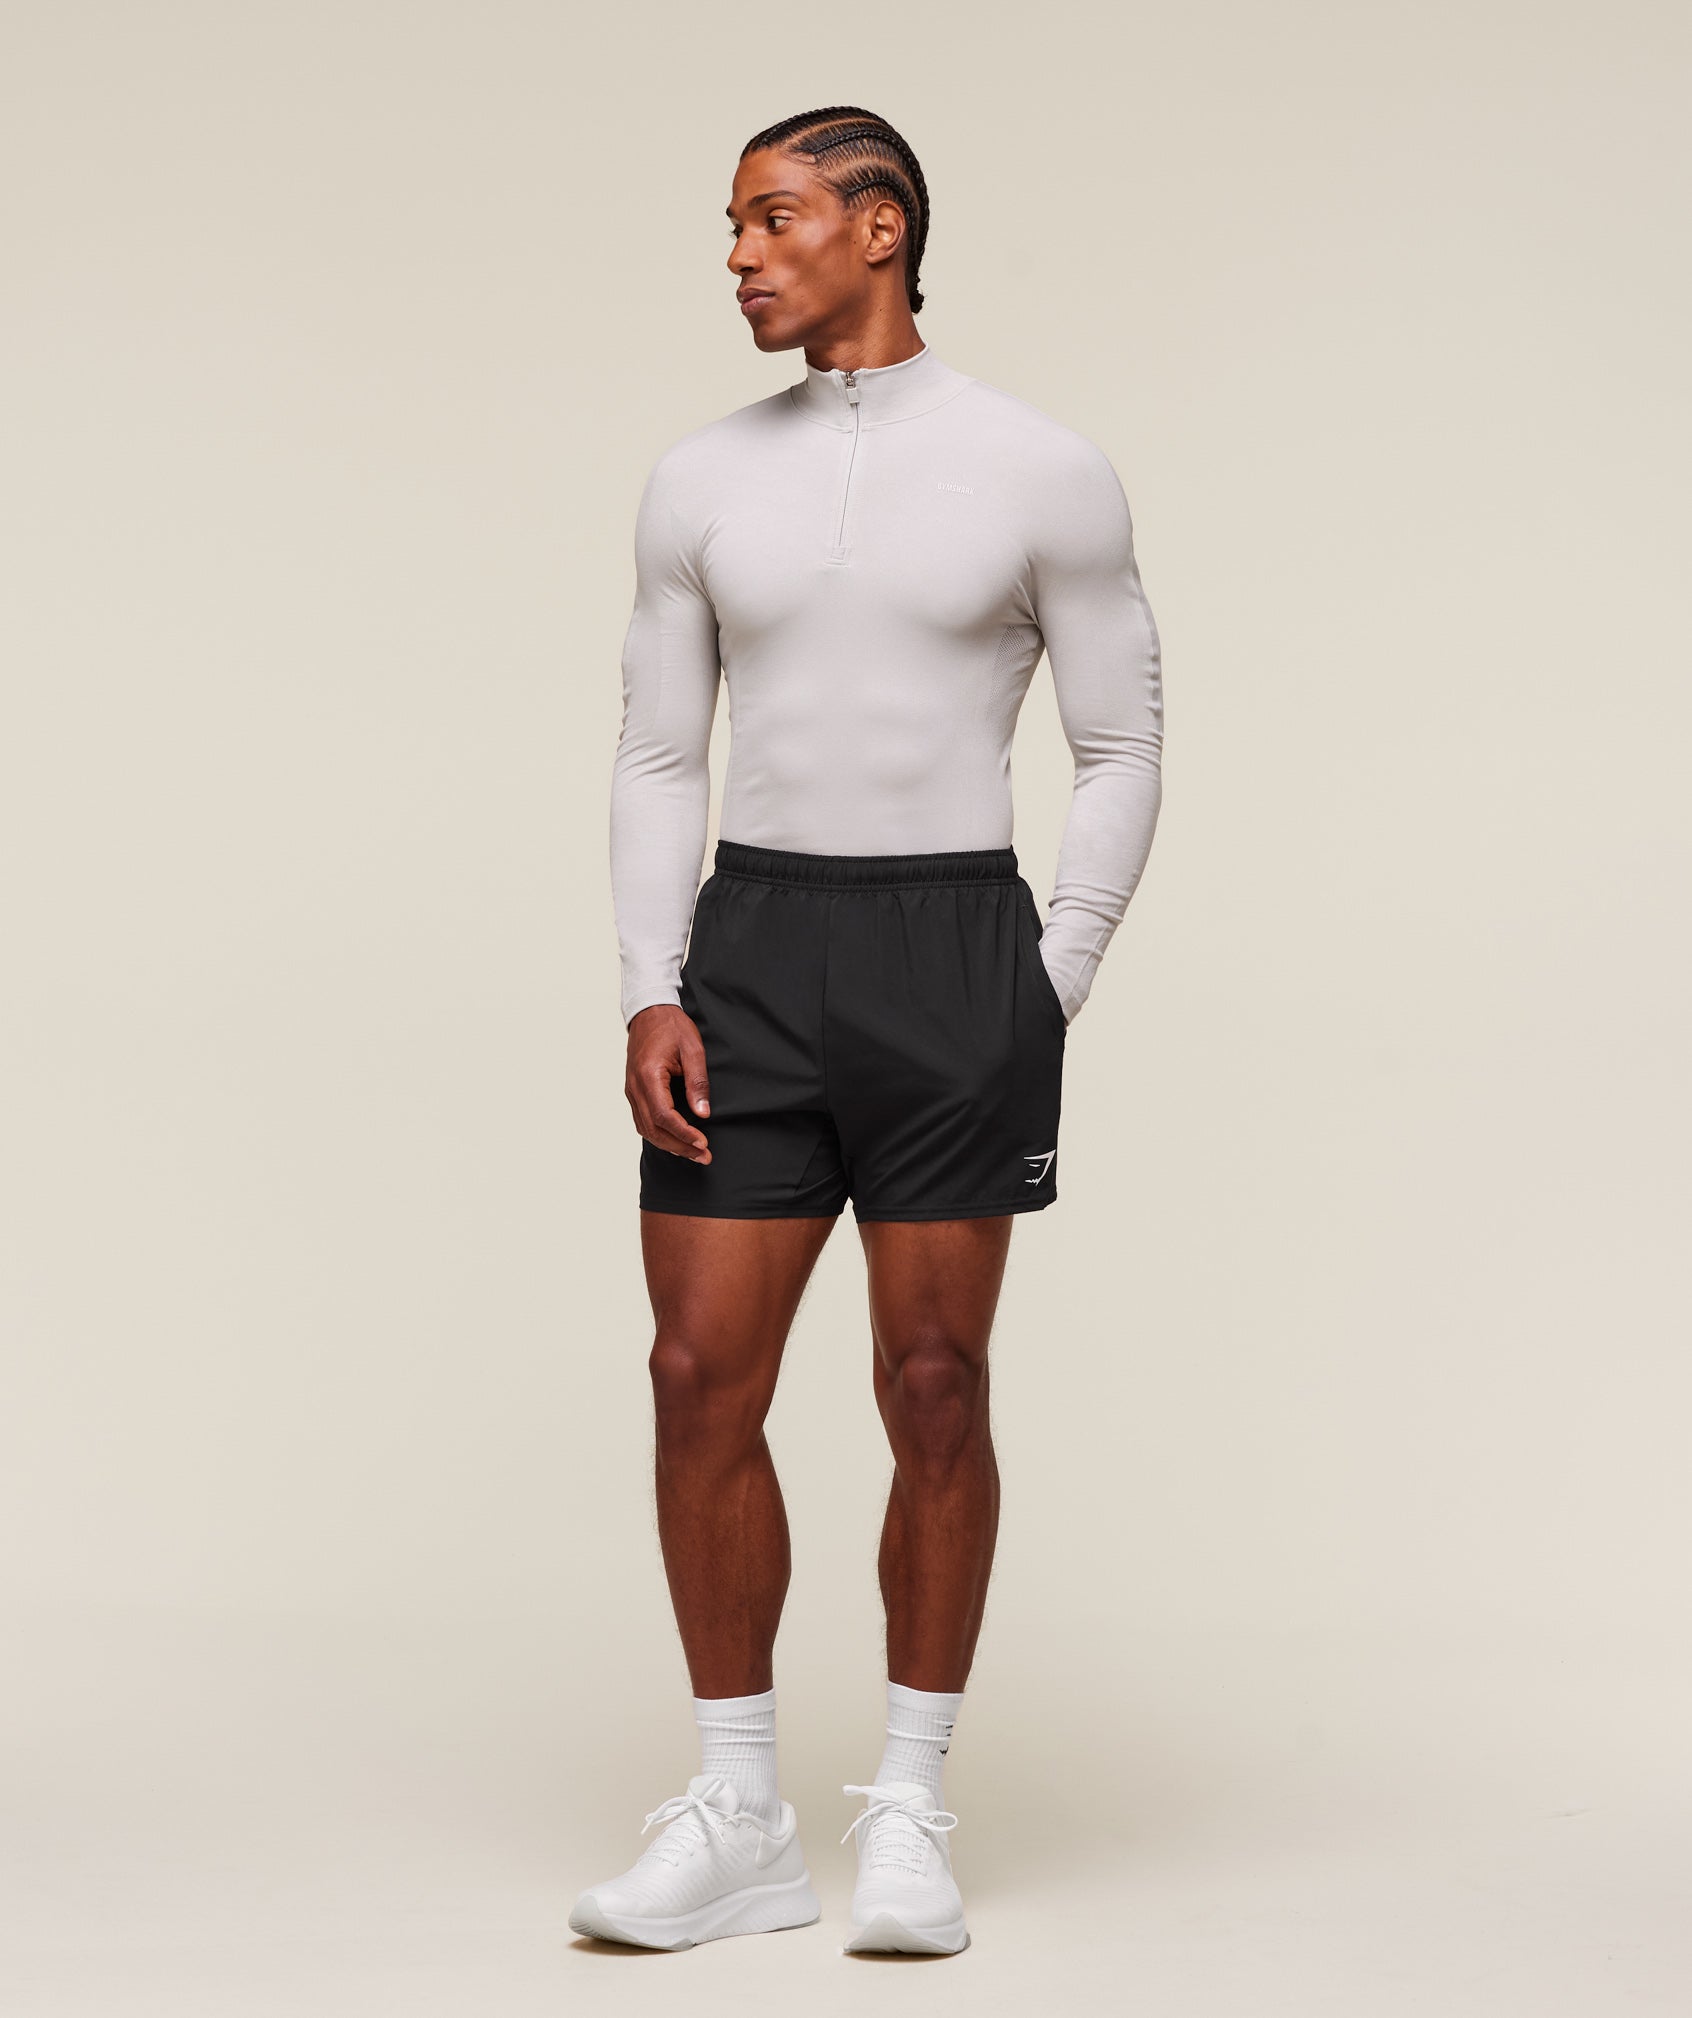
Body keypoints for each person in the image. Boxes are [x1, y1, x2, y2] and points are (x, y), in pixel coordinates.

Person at [572, 104, 1163, 1958]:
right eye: (733, 225)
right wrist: (651, 979)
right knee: (696, 1373)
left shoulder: (1041, 468)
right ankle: (740, 1813)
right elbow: (660, 752)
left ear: (879, 225)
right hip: (752, 945)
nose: (739, 256)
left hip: (950, 946)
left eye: (773, 219)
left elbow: (1121, 742)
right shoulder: (698, 478)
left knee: (933, 1381)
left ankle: (909, 1804)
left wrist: (1049, 977)